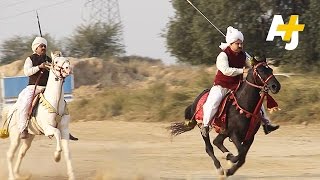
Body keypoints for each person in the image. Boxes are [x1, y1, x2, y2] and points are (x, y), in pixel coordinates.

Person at [201, 26, 279, 137]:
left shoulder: (244, 54)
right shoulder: (223, 55)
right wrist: (242, 70)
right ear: (231, 43)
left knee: (257, 101)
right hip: (222, 86)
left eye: (241, 43)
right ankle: (205, 125)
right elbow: (226, 70)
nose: (240, 45)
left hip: (238, 86)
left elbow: (253, 64)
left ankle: (266, 124)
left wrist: (266, 63)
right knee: (213, 103)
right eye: (238, 43)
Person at [16, 36, 78, 140]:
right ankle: (23, 128)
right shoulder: (30, 59)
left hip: (47, 88)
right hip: (33, 88)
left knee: (62, 103)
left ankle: (64, 130)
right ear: (36, 48)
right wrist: (39, 67)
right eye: (41, 46)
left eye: (45, 46)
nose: (44, 47)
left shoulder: (49, 60)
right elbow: (27, 72)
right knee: (25, 104)